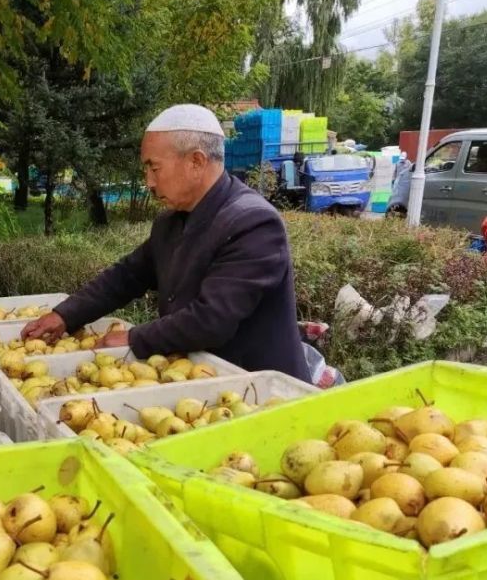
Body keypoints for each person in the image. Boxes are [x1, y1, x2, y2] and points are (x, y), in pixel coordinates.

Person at [22, 104, 311, 381]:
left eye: (154, 168)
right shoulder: (171, 221)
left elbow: (211, 320)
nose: (148, 181)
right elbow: (127, 276)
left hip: (262, 395)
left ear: (196, 162)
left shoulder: (254, 223)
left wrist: (134, 339)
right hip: (197, 385)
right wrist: (65, 314)